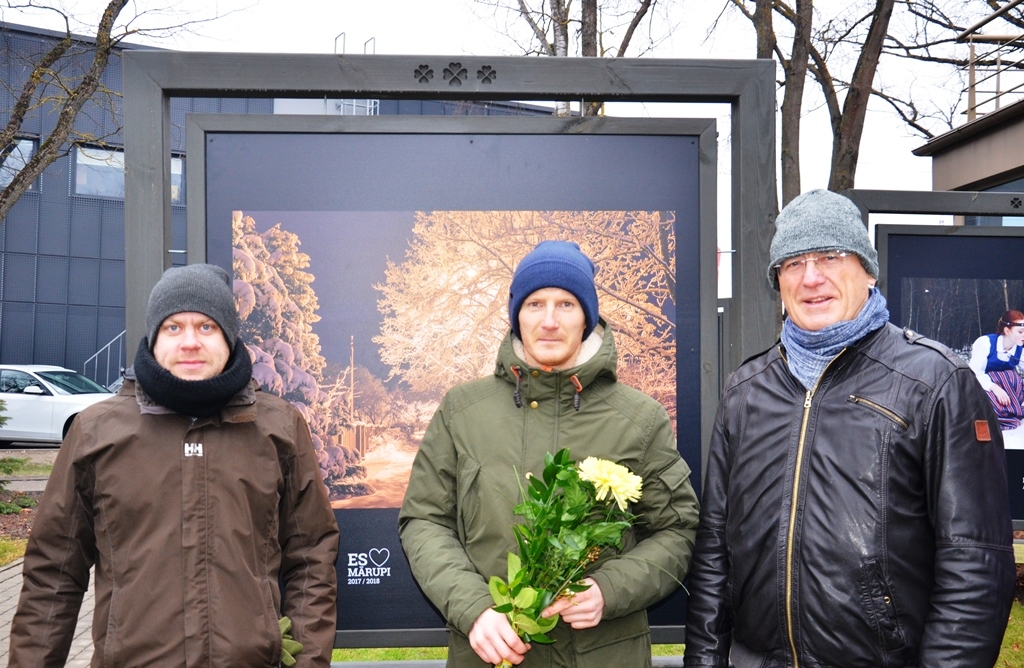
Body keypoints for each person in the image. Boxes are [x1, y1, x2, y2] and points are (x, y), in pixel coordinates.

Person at [684, 189, 1015, 667]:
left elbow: (974, 565)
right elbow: (715, 552)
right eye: (793, 263)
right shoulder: (745, 392)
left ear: (868, 270)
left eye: (831, 256)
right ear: (778, 280)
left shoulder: (936, 384)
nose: (811, 277)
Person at [9, 264, 339, 667]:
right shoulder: (95, 432)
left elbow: (312, 556)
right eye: (173, 328)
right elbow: (53, 574)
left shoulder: (279, 428)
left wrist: (307, 660)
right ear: (153, 336)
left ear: (228, 337)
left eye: (206, 327)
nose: (190, 343)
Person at [399, 240, 699, 667]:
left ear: (588, 318)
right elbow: (424, 521)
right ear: (517, 316)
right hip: (490, 654)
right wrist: (475, 609)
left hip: (604, 655)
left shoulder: (640, 419)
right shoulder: (462, 412)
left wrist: (608, 591)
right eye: (535, 304)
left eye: (566, 304)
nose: (550, 321)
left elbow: (677, 532)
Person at [969, 309, 1024, 430]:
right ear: (1007, 330)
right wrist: (994, 388)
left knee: (1012, 376)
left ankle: (1011, 410)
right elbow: (973, 373)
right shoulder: (986, 343)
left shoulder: (1020, 349)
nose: (1023, 335)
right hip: (984, 388)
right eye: (1020, 332)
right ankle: (999, 415)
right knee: (1002, 375)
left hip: (1007, 388)